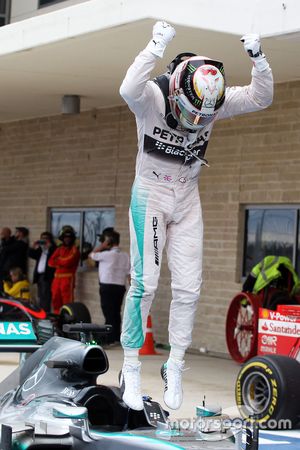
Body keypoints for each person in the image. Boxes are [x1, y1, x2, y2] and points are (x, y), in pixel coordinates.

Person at [119, 21, 273, 411]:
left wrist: (258, 59)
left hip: (187, 197)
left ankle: (176, 364)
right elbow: (126, 88)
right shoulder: (152, 95)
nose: (198, 122)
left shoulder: (214, 102)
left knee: (190, 288)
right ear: (174, 88)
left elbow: (260, 98)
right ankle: (132, 368)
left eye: (205, 116)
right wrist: (155, 45)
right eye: (191, 113)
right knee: (145, 283)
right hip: (150, 195)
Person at [89, 230, 130, 345]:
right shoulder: (125, 255)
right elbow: (129, 272)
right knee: (116, 312)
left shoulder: (106, 254)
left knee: (108, 312)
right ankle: (117, 337)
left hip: (107, 286)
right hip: (120, 286)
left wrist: (102, 246)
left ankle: (110, 338)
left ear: (109, 242)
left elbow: (91, 255)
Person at [48, 225, 80, 314]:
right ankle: (57, 318)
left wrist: (58, 260)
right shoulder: (59, 249)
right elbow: (50, 262)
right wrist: (61, 261)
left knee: (67, 300)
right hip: (56, 279)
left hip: (67, 279)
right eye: (65, 237)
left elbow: (68, 262)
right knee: (55, 299)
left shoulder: (74, 250)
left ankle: (68, 319)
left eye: (69, 237)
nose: (67, 239)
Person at [29, 231, 57, 312]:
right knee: (40, 296)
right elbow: (31, 254)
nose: (44, 240)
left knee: (45, 297)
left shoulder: (53, 249)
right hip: (39, 276)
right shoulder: (40, 250)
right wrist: (33, 246)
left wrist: (49, 247)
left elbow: (54, 255)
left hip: (47, 277)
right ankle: (41, 313)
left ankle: (45, 314)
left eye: (46, 239)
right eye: (42, 239)